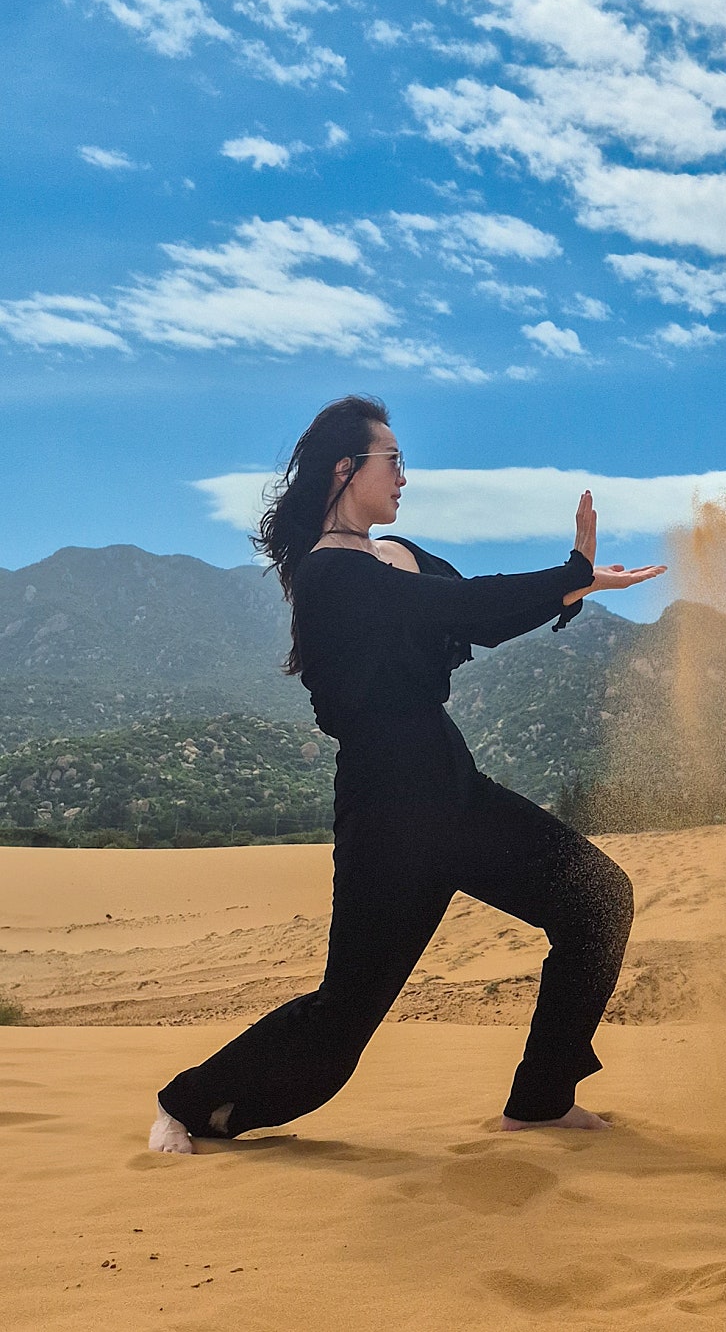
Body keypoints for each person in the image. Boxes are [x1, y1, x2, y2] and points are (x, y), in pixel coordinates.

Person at [149, 395, 664, 1152]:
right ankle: (186, 1106)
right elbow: (455, 603)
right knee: (341, 1024)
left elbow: (476, 612)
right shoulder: (332, 574)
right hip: (387, 809)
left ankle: (543, 1098)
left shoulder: (398, 557)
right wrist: (570, 572)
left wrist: (578, 586)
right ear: (345, 468)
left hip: (450, 784)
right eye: (393, 461)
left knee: (597, 901)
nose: (404, 477)